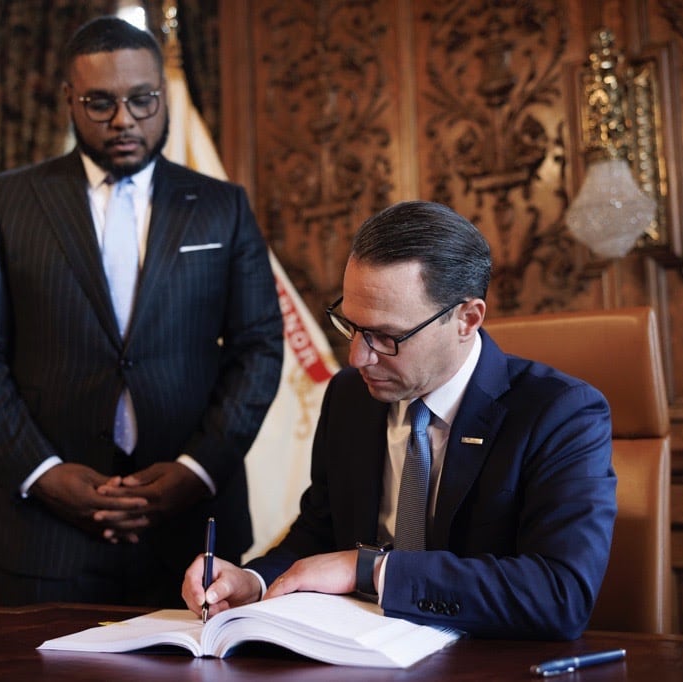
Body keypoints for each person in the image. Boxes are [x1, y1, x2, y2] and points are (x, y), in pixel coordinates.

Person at [0, 16, 284, 608]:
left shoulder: (223, 207)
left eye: (142, 100)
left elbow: (259, 346)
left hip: (194, 531)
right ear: (69, 99)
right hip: (43, 537)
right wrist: (42, 472)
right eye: (99, 102)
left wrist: (196, 469)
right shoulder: (7, 201)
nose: (123, 119)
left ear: (163, 97)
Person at [182, 201, 616, 640]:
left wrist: (370, 570)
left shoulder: (562, 414)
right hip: (357, 656)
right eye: (350, 326)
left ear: (467, 319)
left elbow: (560, 595)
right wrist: (250, 582)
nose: (358, 357)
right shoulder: (349, 396)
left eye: (386, 337)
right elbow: (320, 533)